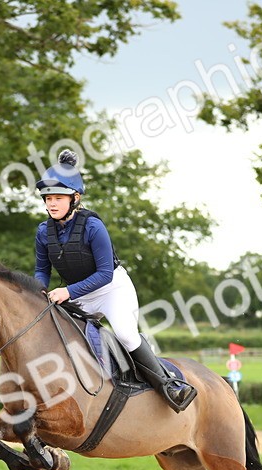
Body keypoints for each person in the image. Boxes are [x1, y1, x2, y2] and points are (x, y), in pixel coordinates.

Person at [33, 149, 197, 413]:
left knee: (125, 334)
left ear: (75, 198)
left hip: (111, 289)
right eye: (48, 198)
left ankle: (169, 385)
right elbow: (42, 270)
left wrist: (67, 292)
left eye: (58, 198)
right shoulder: (43, 231)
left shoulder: (93, 226)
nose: (51, 204)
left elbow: (104, 274)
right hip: (77, 294)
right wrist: (38, 291)